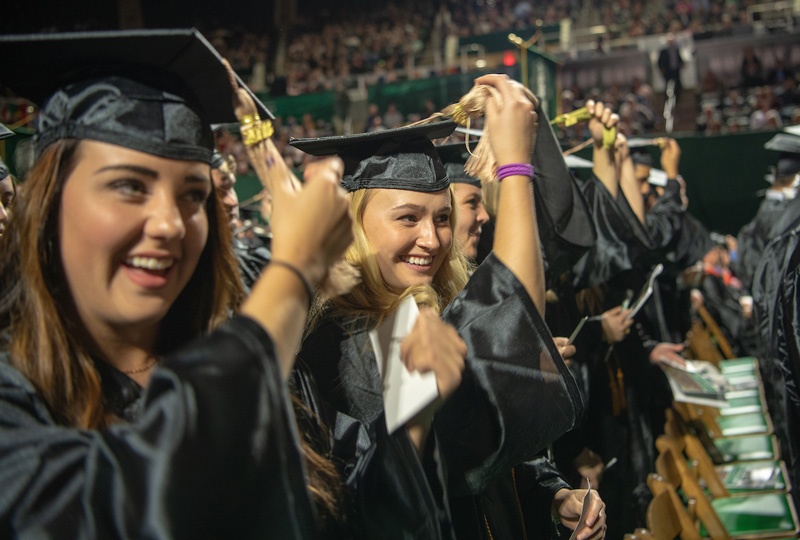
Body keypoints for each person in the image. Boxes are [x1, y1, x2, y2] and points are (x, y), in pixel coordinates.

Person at [0, 29, 356, 539]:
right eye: (129, 185)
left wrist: (417, 414)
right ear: (48, 204)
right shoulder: (14, 394)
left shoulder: (220, 341)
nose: (170, 223)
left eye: (193, 193)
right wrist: (294, 271)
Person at [290, 75, 602, 539]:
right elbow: (440, 465)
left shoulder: (435, 305)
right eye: (407, 218)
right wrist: (515, 166)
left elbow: (489, 456)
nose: (432, 240)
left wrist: (551, 495)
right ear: (354, 224)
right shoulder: (339, 347)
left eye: (441, 218)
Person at [657, 33, 684, 102]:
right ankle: (667, 99)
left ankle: (678, 99)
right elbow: (660, 62)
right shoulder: (663, 51)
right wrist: (661, 69)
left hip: (675, 69)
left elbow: (679, 58)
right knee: (667, 85)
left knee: (678, 84)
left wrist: (682, 64)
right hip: (667, 71)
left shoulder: (676, 49)